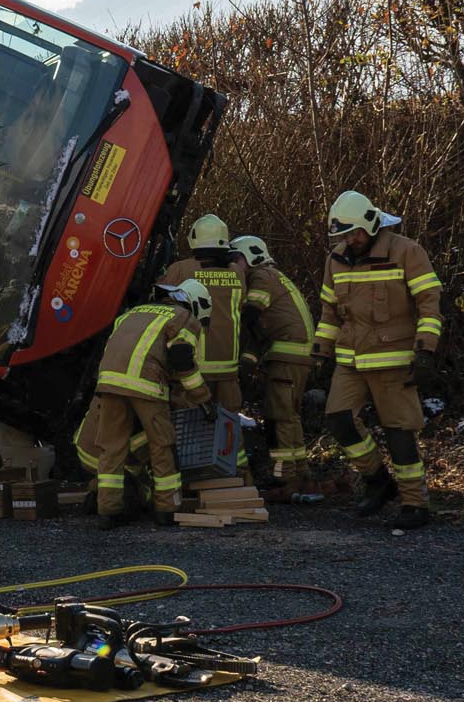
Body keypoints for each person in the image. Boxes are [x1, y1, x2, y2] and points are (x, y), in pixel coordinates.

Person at [315, 190, 443, 526]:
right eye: (344, 234)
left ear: (371, 224)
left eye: (354, 233)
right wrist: (319, 351)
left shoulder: (406, 252)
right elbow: (330, 312)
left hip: (393, 359)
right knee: (339, 419)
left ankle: (415, 505)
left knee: (399, 431)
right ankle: (377, 481)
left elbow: (429, 303)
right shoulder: (336, 259)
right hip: (351, 360)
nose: (350, 239)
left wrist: (425, 349)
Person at [73, 280, 211, 528]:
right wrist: (202, 398)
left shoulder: (133, 313)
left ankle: (108, 512)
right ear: (193, 304)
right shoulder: (183, 317)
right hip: (146, 384)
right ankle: (167, 510)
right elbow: (181, 358)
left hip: (109, 383)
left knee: (112, 447)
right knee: (162, 444)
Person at [157, 213, 249, 477]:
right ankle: (240, 478)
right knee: (230, 426)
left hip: (193, 368)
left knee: (189, 425)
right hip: (228, 369)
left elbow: (160, 305)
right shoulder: (237, 274)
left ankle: (192, 480)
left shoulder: (181, 270)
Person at [230, 234, 316, 493]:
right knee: (288, 415)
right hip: (292, 355)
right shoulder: (276, 278)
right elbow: (260, 332)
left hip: (287, 356)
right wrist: (247, 363)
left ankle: (285, 479)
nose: (233, 267)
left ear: (249, 257)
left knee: (280, 417)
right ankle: (300, 475)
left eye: (236, 260)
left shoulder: (261, 277)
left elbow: (249, 316)